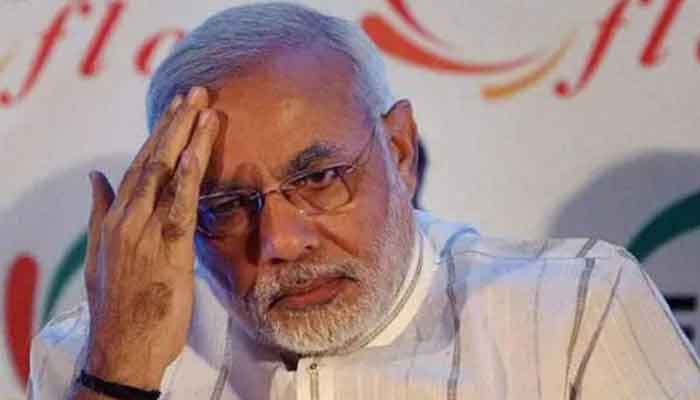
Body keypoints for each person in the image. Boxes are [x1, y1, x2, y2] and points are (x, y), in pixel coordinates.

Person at [28, 3, 700, 400]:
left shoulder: (573, 311)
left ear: (400, 151)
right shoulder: (92, 355)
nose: (280, 240)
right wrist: (119, 376)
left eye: (320, 177)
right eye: (227, 204)